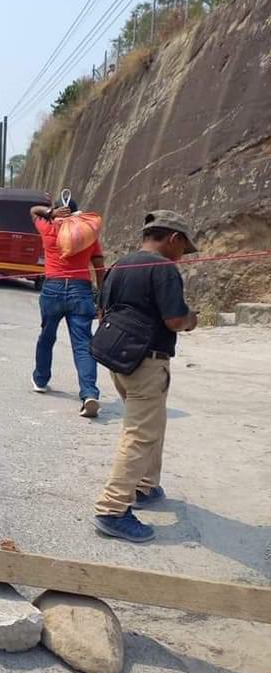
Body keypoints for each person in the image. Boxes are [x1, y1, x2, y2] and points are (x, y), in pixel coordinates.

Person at [93, 211, 199, 543]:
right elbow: (174, 319)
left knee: (153, 424)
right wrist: (192, 319)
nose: (183, 255)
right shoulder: (165, 269)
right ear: (174, 239)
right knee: (140, 434)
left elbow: (102, 308)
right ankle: (112, 510)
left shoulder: (121, 264)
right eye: (184, 247)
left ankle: (145, 486)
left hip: (119, 359)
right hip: (147, 362)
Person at [29, 199, 105, 418]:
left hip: (52, 287)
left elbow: (33, 210)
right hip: (80, 290)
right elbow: (99, 267)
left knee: (47, 335)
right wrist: (101, 298)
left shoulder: (48, 226)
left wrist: (50, 213)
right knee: (83, 343)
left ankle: (41, 379)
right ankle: (89, 394)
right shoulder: (87, 232)